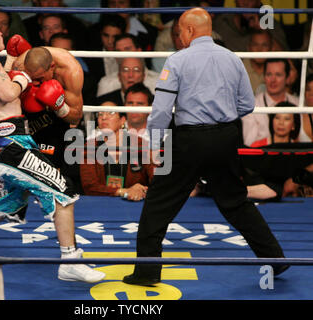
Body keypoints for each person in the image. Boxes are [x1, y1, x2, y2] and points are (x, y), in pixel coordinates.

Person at [123, 8, 289, 286]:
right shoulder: (232, 59)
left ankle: (147, 271)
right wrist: (221, 116)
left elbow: (162, 110)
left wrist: (153, 143)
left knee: (159, 204)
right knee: (235, 202)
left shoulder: (177, 60)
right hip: (225, 138)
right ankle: (274, 257)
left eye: (180, 33)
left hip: (188, 140)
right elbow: (247, 104)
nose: (179, 38)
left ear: (188, 31)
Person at [0, 11, 105, 284]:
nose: (2, 32)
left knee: (5, 203)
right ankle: (70, 260)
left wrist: (10, 66)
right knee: (62, 189)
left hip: (8, 142)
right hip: (10, 144)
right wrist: (24, 77)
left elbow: (1, 86)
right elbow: (7, 93)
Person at [0, 36, 85, 232]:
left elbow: (75, 118)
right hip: (23, 108)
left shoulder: (71, 72)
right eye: (31, 77)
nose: (35, 82)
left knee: (49, 164)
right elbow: (3, 93)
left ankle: (26, 203)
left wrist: (58, 105)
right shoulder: (21, 62)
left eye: (40, 79)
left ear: (52, 67)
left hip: (55, 112)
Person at [80, 103, 155, 200]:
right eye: (100, 114)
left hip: (136, 204)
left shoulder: (140, 144)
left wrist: (144, 190)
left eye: (110, 113)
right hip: (100, 205)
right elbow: (89, 187)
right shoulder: (89, 147)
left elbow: (157, 180)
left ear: (122, 120)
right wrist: (123, 191)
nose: (104, 117)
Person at [241, 59, 303, 147]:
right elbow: (249, 145)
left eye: (278, 75)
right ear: (264, 76)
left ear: (287, 77)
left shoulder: (298, 104)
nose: (273, 80)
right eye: (269, 74)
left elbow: (302, 140)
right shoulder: (252, 105)